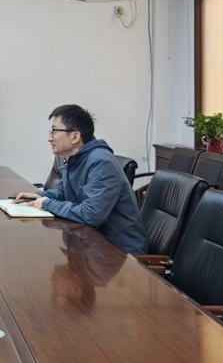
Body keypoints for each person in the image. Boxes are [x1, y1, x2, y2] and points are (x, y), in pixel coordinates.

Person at [14, 104, 147, 255]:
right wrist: (39, 196)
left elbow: (92, 215)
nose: (49, 138)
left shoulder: (101, 162)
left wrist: (47, 203)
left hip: (121, 254)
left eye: (55, 131)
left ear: (75, 136)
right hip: (91, 245)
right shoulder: (75, 159)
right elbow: (64, 193)